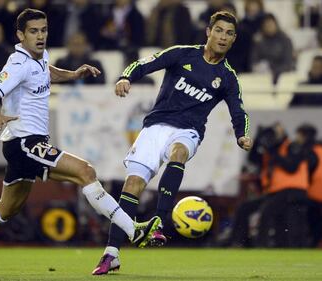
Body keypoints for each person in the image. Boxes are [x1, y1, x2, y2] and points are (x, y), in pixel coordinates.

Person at [0, 9, 161, 276]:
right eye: (33, 31)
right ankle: (133, 231)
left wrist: (74, 74)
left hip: (23, 146)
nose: (40, 36)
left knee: (7, 208)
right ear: (20, 35)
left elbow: (46, 72)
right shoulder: (17, 64)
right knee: (85, 172)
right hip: (24, 143)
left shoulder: (39, 58)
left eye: (43, 30)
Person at [92, 11, 252, 275]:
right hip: (155, 128)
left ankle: (159, 222)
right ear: (208, 32)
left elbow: (239, 110)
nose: (223, 37)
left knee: (178, 154)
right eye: (219, 30)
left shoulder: (227, 77)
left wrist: (241, 134)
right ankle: (112, 253)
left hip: (188, 131)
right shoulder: (183, 53)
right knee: (133, 185)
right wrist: (125, 77)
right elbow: (146, 62)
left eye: (229, 33)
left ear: (234, 39)